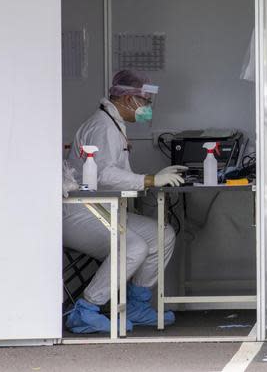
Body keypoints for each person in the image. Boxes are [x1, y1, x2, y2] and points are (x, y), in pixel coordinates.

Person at [63, 69, 187, 334]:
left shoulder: (114, 124)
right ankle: (86, 309)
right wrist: (150, 180)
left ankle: (136, 305)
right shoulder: (102, 126)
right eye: (145, 102)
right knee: (133, 246)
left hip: (104, 209)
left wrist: (147, 180)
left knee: (162, 235)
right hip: (79, 213)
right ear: (129, 99)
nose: (147, 108)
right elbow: (105, 174)